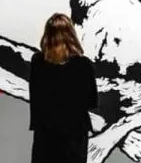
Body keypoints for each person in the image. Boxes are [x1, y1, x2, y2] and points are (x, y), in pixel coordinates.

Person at [28, 13, 99, 163]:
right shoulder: (84, 65)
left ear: (47, 35)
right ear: (71, 35)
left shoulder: (37, 62)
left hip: (46, 135)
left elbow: (35, 99)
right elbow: (92, 101)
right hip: (74, 137)